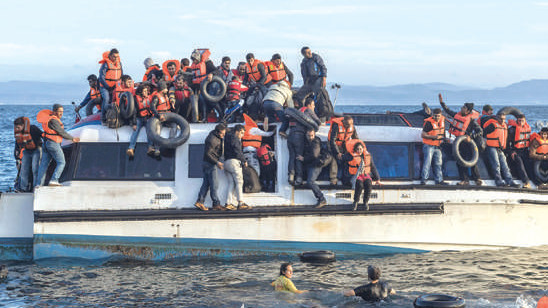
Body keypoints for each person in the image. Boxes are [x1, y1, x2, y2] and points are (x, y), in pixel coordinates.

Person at [439, 94, 483, 186]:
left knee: (472, 161)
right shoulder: (457, 115)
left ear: (468, 110)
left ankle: (477, 179)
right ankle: (464, 180)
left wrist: (470, 136)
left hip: (469, 143)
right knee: (459, 161)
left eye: (463, 107)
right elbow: (447, 111)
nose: (461, 108)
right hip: (459, 143)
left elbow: (480, 131)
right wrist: (442, 103)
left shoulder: (471, 121)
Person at [35, 104, 80, 187]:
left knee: (43, 165)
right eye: (59, 111)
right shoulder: (54, 121)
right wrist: (72, 139)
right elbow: (61, 132)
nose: (61, 114)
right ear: (54, 111)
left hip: (46, 143)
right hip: (53, 144)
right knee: (61, 162)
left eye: (62, 112)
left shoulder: (48, 119)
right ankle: (54, 180)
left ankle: (39, 184)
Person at [299, 128, 337, 208]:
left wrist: (304, 158)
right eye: (309, 136)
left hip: (318, 163)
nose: (310, 137)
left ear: (314, 135)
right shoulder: (306, 141)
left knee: (310, 181)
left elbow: (314, 155)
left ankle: (322, 199)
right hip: (313, 163)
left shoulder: (315, 142)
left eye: (312, 135)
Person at [287, 98, 322, 186]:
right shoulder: (309, 111)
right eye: (313, 105)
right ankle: (299, 177)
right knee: (299, 157)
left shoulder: (296, 112)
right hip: (298, 136)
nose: (314, 107)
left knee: (292, 156)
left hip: (290, 135)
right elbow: (318, 122)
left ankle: (291, 175)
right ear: (309, 105)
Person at [195, 124, 227, 211]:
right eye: (222, 134)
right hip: (210, 164)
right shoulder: (212, 140)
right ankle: (216, 204)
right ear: (217, 132)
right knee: (214, 184)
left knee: (206, 184)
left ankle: (200, 202)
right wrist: (217, 162)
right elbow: (208, 154)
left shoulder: (213, 136)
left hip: (206, 163)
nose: (223, 136)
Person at [342, 139, 381, 211]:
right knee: (359, 185)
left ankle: (365, 202)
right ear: (355, 149)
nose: (359, 150)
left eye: (360, 149)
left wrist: (377, 179)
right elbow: (343, 158)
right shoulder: (350, 156)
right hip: (356, 175)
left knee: (369, 184)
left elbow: (372, 167)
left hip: (366, 175)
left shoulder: (368, 156)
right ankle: (355, 201)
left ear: (363, 149)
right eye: (357, 149)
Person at [483, 113, 520, 187]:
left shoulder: (504, 126)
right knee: (496, 164)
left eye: (504, 119)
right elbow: (483, 133)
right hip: (491, 147)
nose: (503, 121)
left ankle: (510, 181)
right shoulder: (493, 125)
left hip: (500, 149)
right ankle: (499, 181)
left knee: (505, 165)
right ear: (497, 118)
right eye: (501, 119)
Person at [224, 124, 251, 210]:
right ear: (237, 132)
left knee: (231, 183)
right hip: (234, 162)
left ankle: (228, 203)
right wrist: (244, 161)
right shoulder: (235, 139)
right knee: (239, 182)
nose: (242, 135)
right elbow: (237, 151)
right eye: (242, 133)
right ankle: (240, 202)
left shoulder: (226, 138)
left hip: (226, 162)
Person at [13, 117, 43, 192]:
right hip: (26, 151)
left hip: (36, 150)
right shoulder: (18, 133)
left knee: (35, 169)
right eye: (16, 127)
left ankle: (35, 187)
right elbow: (17, 145)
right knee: (23, 170)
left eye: (18, 127)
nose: (17, 128)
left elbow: (43, 136)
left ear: (23, 125)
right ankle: (23, 188)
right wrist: (17, 158)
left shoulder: (33, 128)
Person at [188, 48, 218, 122]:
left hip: (209, 85)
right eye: (193, 60)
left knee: (211, 101)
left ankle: (221, 114)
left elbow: (216, 71)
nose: (194, 61)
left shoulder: (207, 62)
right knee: (201, 100)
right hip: (200, 86)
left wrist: (211, 74)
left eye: (195, 59)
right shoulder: (194, 65)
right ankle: (204, 117)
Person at [421, 108, 448, 185]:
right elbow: (423, 134)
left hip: (438, 146)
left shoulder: (442, 121)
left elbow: (442, 132)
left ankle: (439, 180)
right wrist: (433, 137)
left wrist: (445, 139)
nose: (437, 118)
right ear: (433, 115)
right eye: (435, 116)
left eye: (438, 116)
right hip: (429, 146)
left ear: (441, 115)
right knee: (427, 163)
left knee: (438, 163)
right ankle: (424, 179)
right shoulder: (429, 123)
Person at [127, 83, 153, 157]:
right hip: (139, 118)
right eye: (144, 91)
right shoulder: (136, 99)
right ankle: (131, 148)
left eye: (146, 91)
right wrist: (134, 123)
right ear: (141, 92)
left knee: (149, 131)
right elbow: (134, 112)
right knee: (135, 131)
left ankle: (150, 147)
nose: (146, 93)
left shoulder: (150, 98)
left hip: (147, 118)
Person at [507, 114, 532, 188]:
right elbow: (507, 143)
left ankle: (538, 183)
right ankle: (526, 182)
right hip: (516, 151)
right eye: (519, 121)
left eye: (522, 121)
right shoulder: (512, 129)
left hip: (525, 150)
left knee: (529, 164)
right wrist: (511, 151)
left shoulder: (527, 128)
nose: (521, 122)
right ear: (517, 121)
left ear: (525, 121)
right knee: (520, 163)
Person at [149, 81, 173, 156]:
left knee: (174, 126)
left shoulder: (166, 96)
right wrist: (158, 115)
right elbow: (152, 107)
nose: (167, 90)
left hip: (167, 116)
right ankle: (157, 149)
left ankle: (170, 142)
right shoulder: (156, 97)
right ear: (163, 89)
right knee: (158, 130)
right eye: (166, 88)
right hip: (159, 117)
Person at [98, 48, 123, 121]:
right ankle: (103, 118)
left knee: (115, 101)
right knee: (106, 99)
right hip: (105, 87)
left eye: (117, 57)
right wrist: (108, 87)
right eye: (114, 57)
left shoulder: (119, 64)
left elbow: (122, 75)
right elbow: (101, 77)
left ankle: (115, 117)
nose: (116, 58)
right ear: (110, 56)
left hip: (115, 87)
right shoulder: (105, 64)